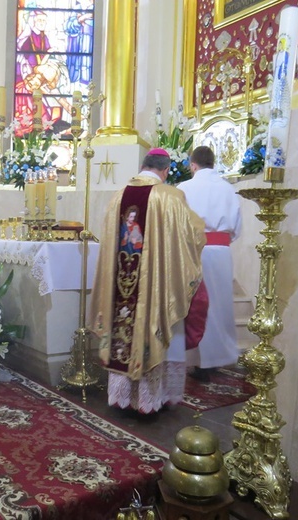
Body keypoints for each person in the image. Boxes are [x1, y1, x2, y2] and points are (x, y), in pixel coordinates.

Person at [89, 148, 209, 414]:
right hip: (153, 289)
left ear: (143, 165)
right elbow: (193, 236)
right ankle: (152, 399)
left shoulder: (118, 197)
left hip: (121, 287)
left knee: (124, 322)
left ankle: (121, 397)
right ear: (165, 170)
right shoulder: (171, 196)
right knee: (156, 323)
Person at [177, 146, 242, 379]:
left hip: (193, 251)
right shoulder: (228, 188)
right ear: (213, 164)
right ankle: (217, 358)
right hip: (222, 251)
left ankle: (195, 359)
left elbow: (178, 222)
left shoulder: (184, 187)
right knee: (219, 304)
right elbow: (236, 226)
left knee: (195, 305)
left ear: (193, 165)